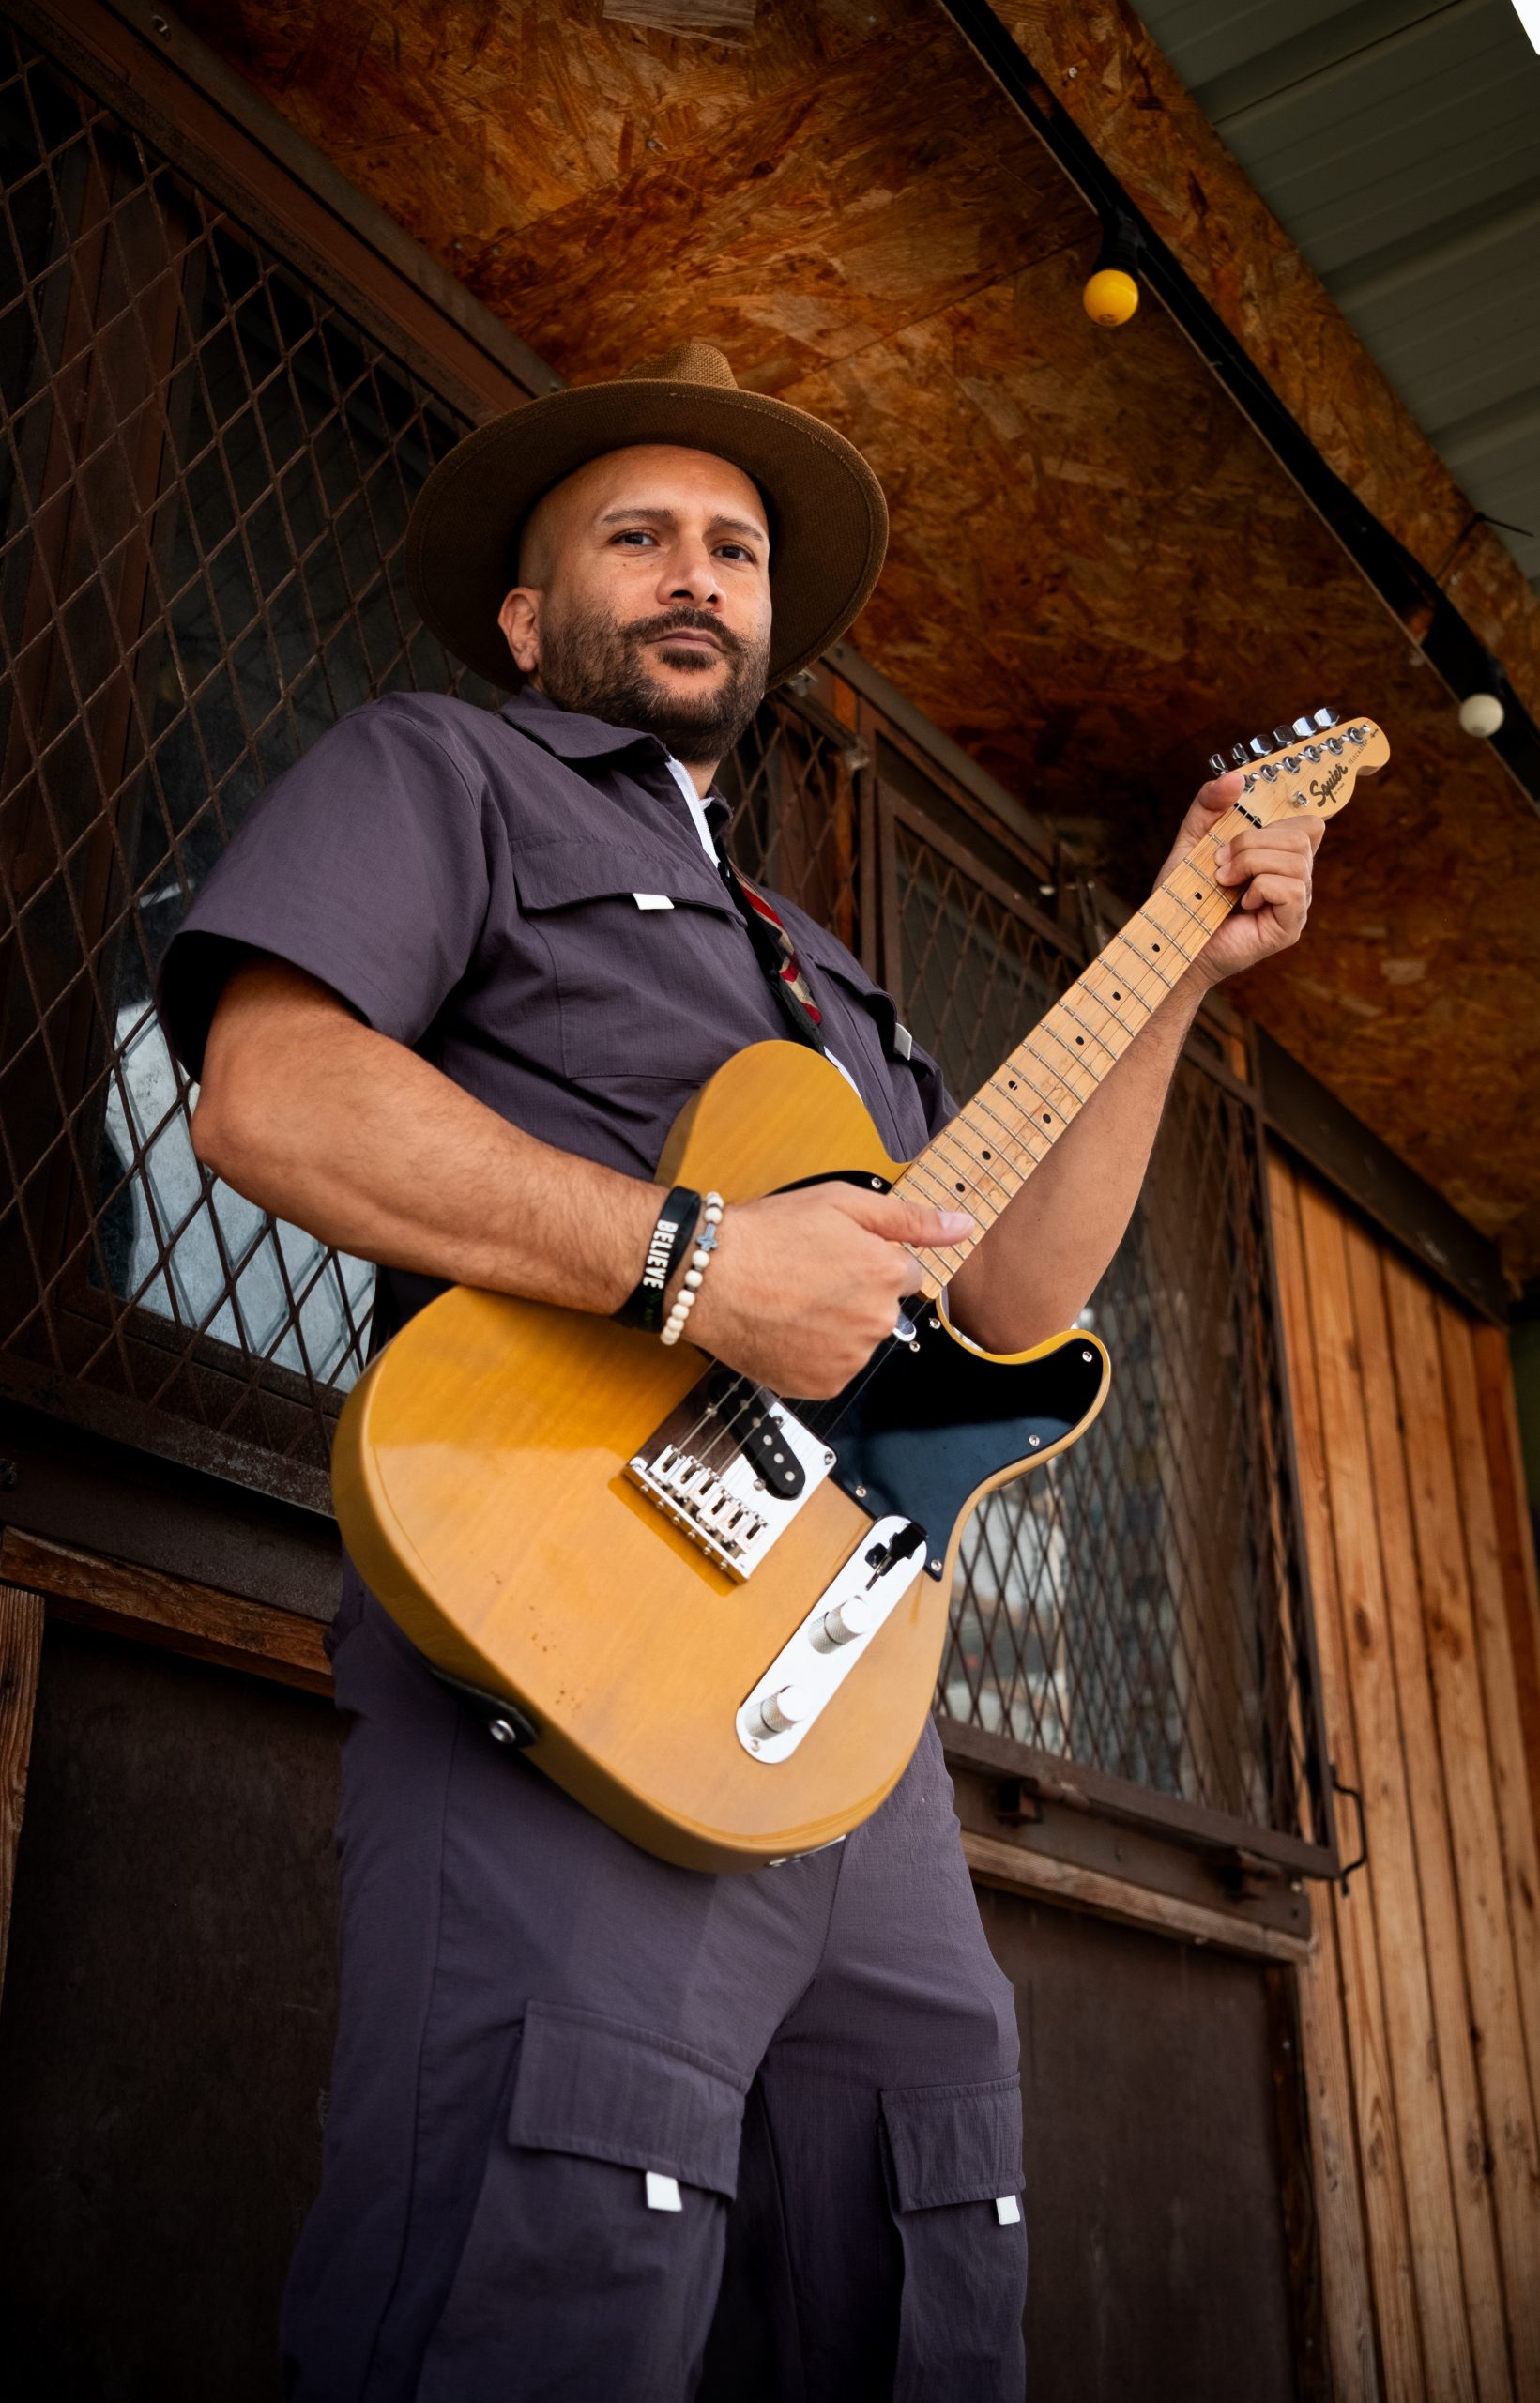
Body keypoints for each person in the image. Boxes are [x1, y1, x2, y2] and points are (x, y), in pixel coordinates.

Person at [156, 341, 1321, 2401]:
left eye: (735, 548)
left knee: (920, 2245)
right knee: (547, 2273)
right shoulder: (444, 772)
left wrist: (1176, 960)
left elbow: (1001, 1294)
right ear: (531, 617)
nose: (696, 572)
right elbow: (273, 1097)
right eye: (638, 537)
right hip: (563, 1630)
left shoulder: (821, 970)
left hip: (842, 1706)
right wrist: (696, 1264)